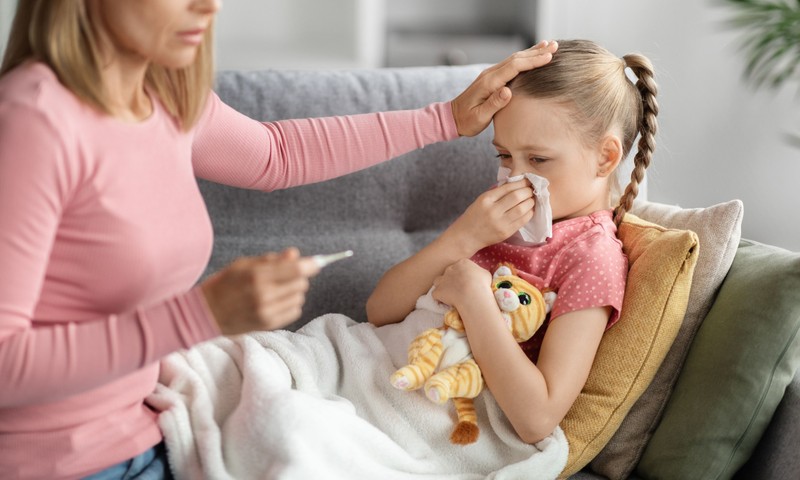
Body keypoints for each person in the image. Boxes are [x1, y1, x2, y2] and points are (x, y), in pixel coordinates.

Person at [0, 0, 560, 478]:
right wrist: (198, 315)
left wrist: (445, 118)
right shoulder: (32, 121)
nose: (210, 6)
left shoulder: (162, 93)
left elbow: (276, 153)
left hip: (155, 427)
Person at [367, 39, 658, 445]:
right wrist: (462, 237)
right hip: (377, 362)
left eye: (537, 160)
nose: (517, 178)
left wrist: (474, 298)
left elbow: (537, 418)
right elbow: (379, 311)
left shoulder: (592, 257)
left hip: (437, 405)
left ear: (606, 158)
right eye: (504, 156)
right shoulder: (491, 221)